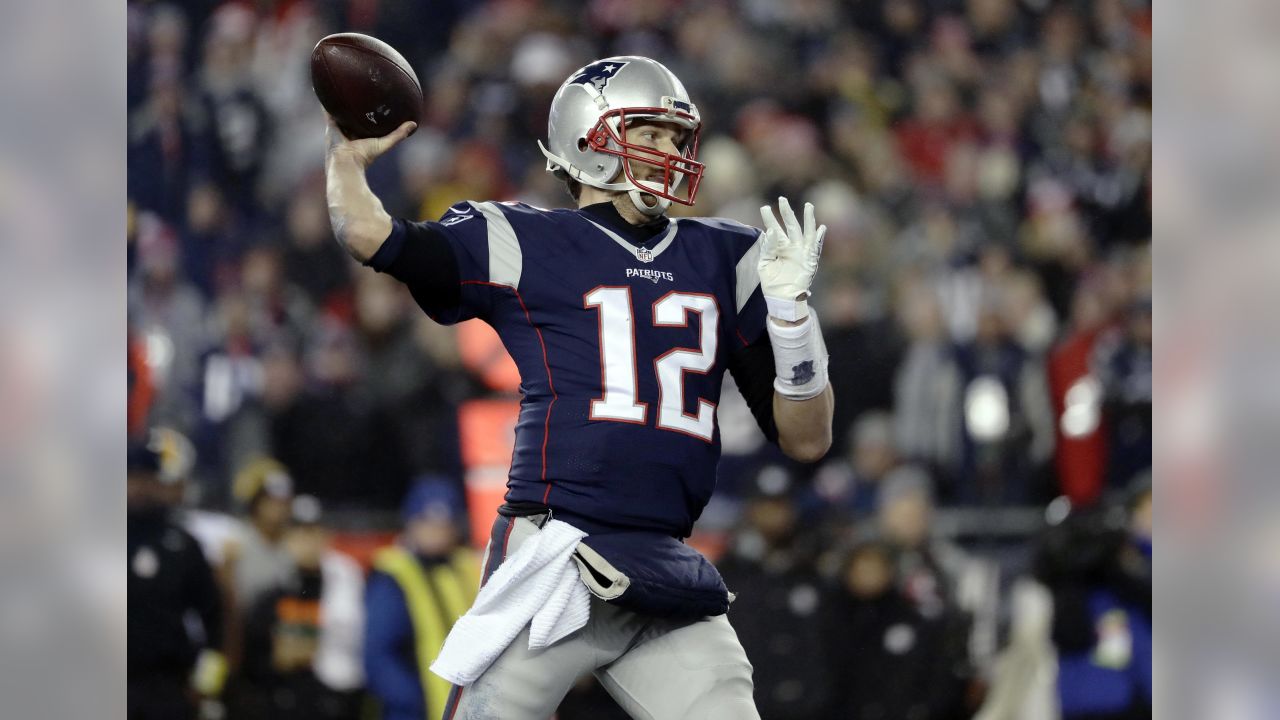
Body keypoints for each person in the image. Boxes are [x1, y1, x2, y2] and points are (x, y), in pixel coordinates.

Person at [324, 56, 834, 719]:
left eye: (677, 139)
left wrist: (793, 322)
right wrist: (345, 160)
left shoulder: (725, 256)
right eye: (649, 133)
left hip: (663, 563)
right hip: (556, 554)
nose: (670, 151)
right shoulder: (526, 239)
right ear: (589, 138)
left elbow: (807, 436)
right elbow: (370, 234)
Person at [234, 495, 365, 720]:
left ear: (326, 536)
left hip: (337, 700)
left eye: (314, 532)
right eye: (300, 533)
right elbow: (253, 660)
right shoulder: (273, 593)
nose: (308, 542)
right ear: (287, 538)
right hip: (285, 703)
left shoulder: (345, 583)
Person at [127, 437, 226, 720]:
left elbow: (214, 619)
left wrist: (206, 684)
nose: (137, 488)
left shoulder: (182, 544)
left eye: (146, 478)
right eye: (130, 478)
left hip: (166, 685)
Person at [364, 478, 480, 720]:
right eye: (427, 523)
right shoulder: (394, 573)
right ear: (411, 524)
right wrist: (409, 701)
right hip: (418, 709)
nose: (436, 533)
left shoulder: (464, 566)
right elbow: (379, 654)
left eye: (444, 525)